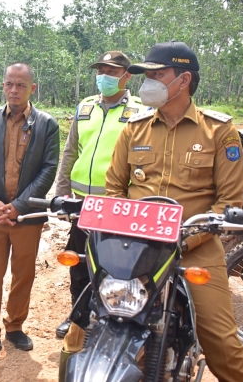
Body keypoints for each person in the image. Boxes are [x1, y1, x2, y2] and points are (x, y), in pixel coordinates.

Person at [102, 41, 243, 382]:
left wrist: (184, 240)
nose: (148, 83)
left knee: (220, 341)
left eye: (158, 75)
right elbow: (115, 188)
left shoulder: (219, 131)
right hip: (135, 250)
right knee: (89, 325)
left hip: (193, 250)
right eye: (147, 76)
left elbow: (228, 204)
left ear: (183, 80)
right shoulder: (134, 128)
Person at [0, 63, 60, 362]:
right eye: (9, 84)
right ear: (3, 86)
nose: (14, 90)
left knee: (24, 273)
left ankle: (15, 326)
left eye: (21, 85)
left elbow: (48, 170)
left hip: (27, 216)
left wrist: (19, 205)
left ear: (33, 88)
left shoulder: (47, 124)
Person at [54, 51, 149, 339]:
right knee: (79, 262)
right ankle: (78, 318)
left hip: (117, 205)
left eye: (111, 70)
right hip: (82, 204)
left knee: (114, 266)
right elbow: (70, 150)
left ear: (126, 75)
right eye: (100, 70)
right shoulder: (85, 107)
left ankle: (111, 319)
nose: (104, 76)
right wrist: (61, 191)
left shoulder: (140, 112)